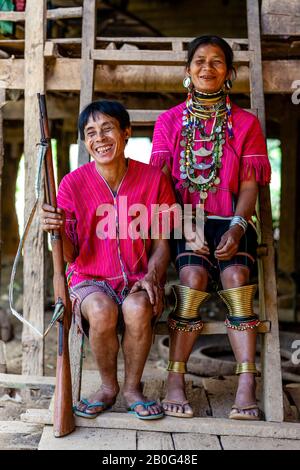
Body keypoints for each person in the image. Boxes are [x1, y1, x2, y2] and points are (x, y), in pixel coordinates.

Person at [150, 35, 271, 420]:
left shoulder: (245, 123)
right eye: (199, 61)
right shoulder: (169, 122)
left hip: (231, 220)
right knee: (192, 280)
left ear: (229, 73)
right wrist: (185, 224)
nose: (207, 68)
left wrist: (237, 228)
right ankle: (175, 379)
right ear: (187, 71)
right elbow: (160, 183)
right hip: (187, 221)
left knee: (237, 279)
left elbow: (250, 183)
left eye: (217, 62)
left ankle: (246, 383)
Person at [41, 100, 177, 420]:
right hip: (89, 279)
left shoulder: (154, 179)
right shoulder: (71, 185)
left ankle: (131, 389)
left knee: (138, 306)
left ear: (126, 132)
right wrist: (57, 232)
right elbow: (71, 256)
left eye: (107, 128)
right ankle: (107, 387)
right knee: (102, 310)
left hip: (137, 277)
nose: (99, 138)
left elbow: (162, 244)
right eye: (90, 132)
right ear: (85, 142)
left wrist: (153, 275)